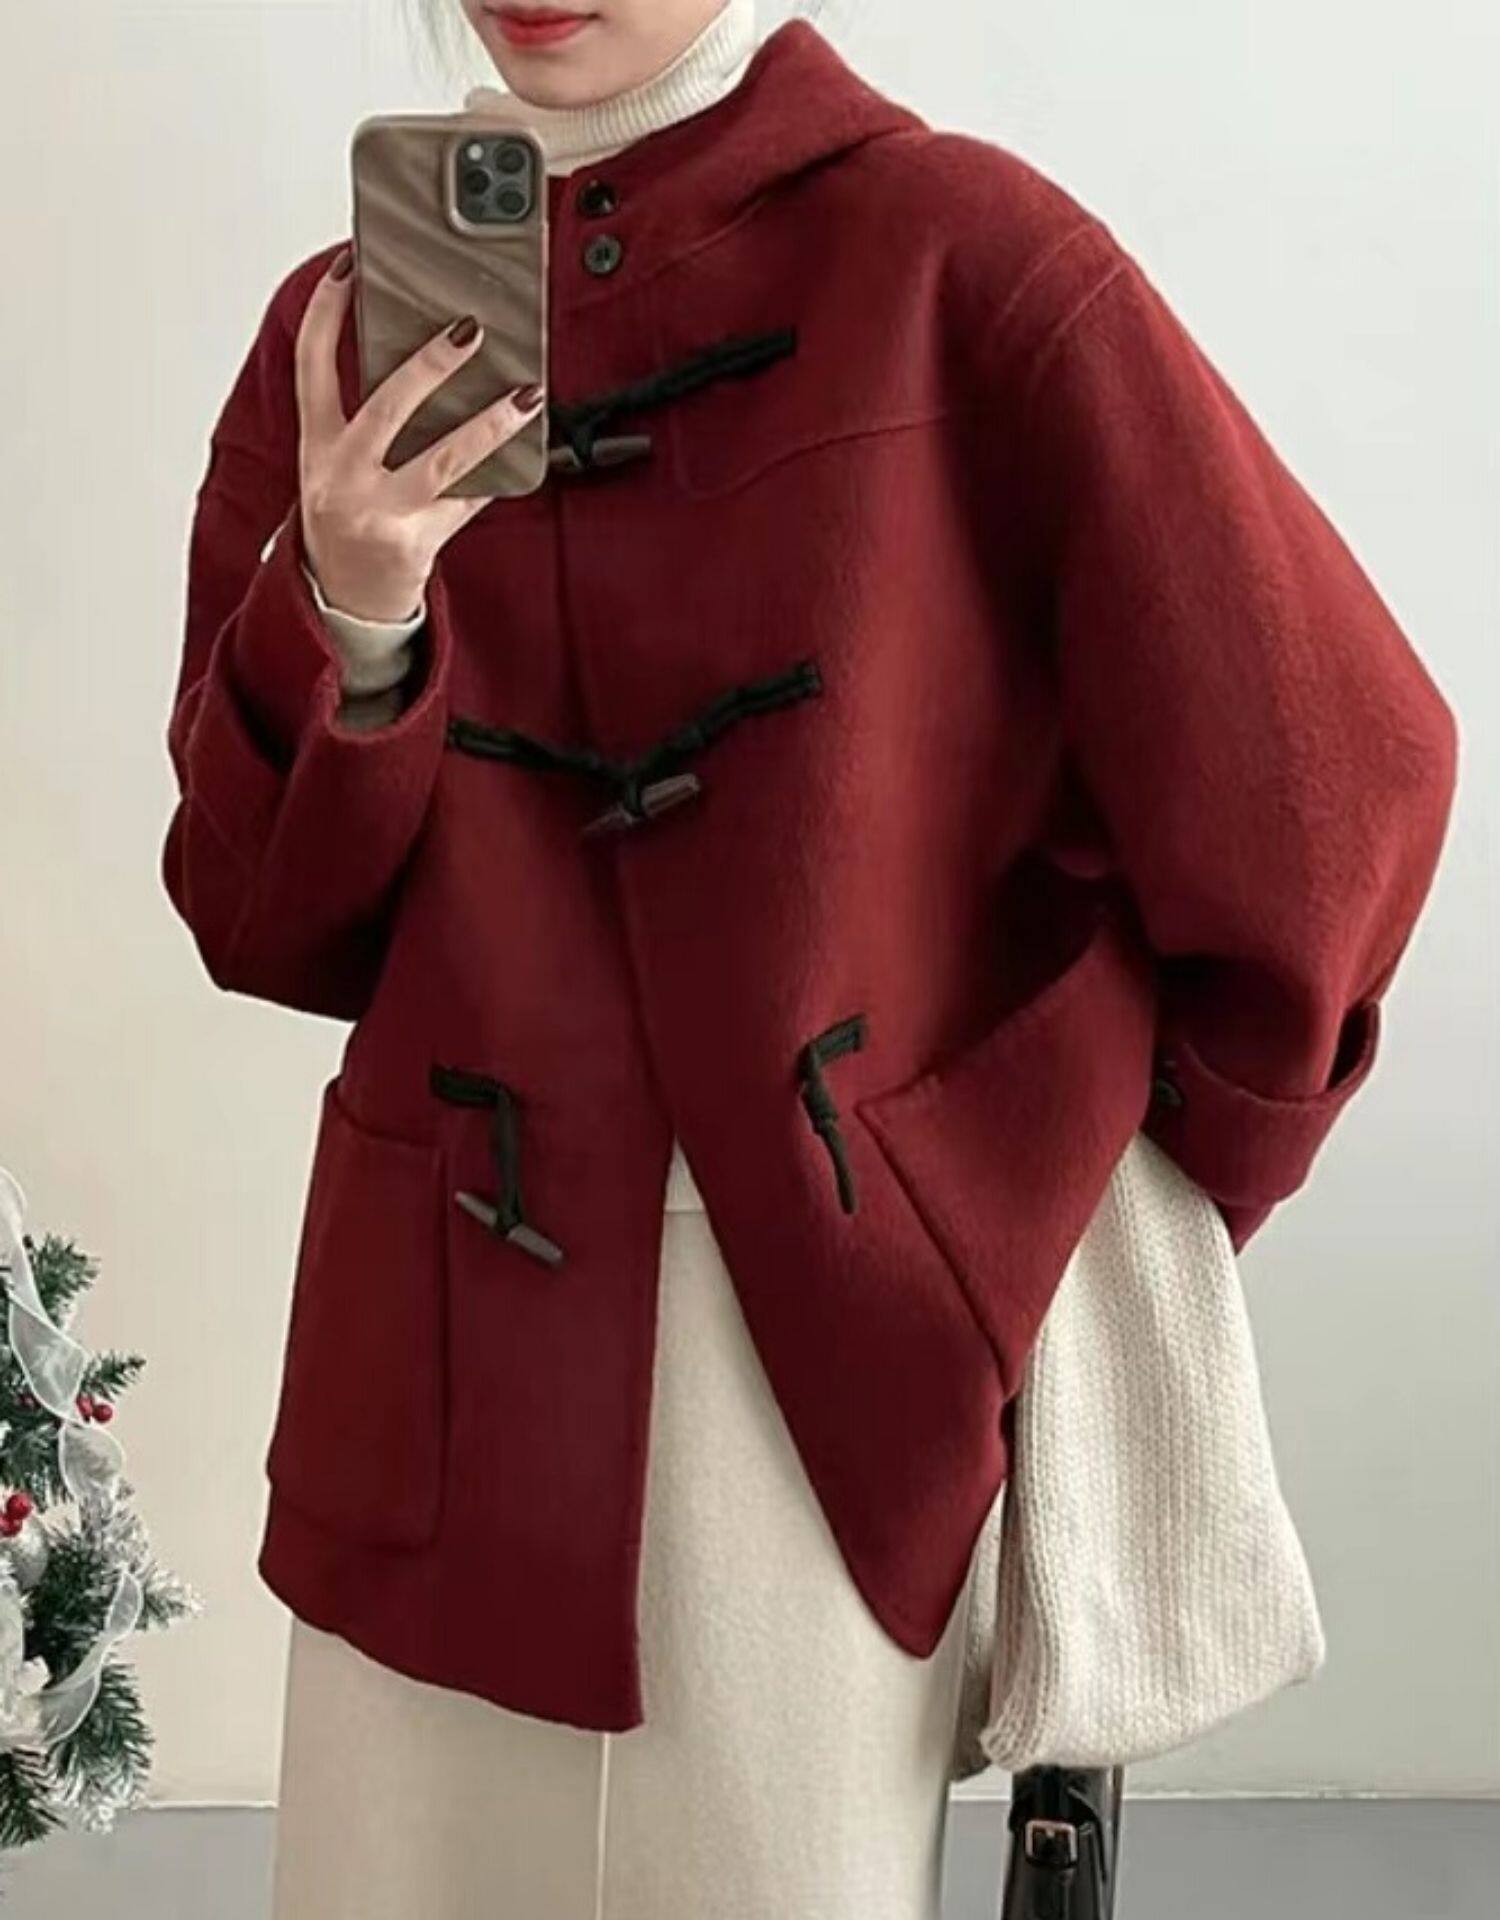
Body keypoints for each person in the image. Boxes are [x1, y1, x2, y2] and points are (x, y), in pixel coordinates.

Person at [158, 2, 1460, 1916]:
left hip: (795, 1379)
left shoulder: (963, 259)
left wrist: (1059, 1156)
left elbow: (1336, 771)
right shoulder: (339, 336)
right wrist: (354, 609)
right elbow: (255, 912)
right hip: (426, 1363)